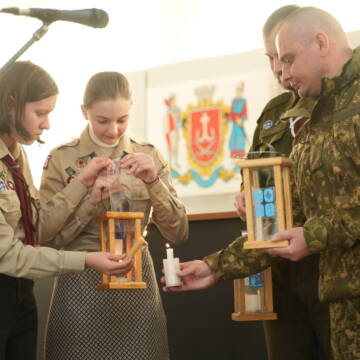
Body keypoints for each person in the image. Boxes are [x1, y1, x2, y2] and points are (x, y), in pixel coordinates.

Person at [164, 6, 332, 360]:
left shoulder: (340, 108)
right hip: (276, 264)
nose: (278, 69)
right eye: (271, 58)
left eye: (285, 57)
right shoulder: (274, 113)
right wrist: (246, 194)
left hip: (333, 263)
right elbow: (255, 170)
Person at [39, 71, 189, 360]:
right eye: (103, 120)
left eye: (122, 120)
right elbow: (47, 239)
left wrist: (153, 182)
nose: (113, 130)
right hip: (79, 289)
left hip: (136, 288)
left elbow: (179, 232)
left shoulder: (148, 155)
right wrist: (91, 201)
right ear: (85, 112)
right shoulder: (62, 159)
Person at [0, 61, 134, 360]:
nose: (47, 123)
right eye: (40, 113)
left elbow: (36, 226)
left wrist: (83, 184)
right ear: (11, 103)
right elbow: (10, 255)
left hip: (22, 294)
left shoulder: (15, 153)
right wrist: (86, 260)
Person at [265, 7, 360, 359]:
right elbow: (294, 210)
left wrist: (314, 236)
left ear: (321, 42)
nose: (283, 72)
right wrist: (213, 267)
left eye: (288, 59)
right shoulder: (314, 110)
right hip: (340, 304)